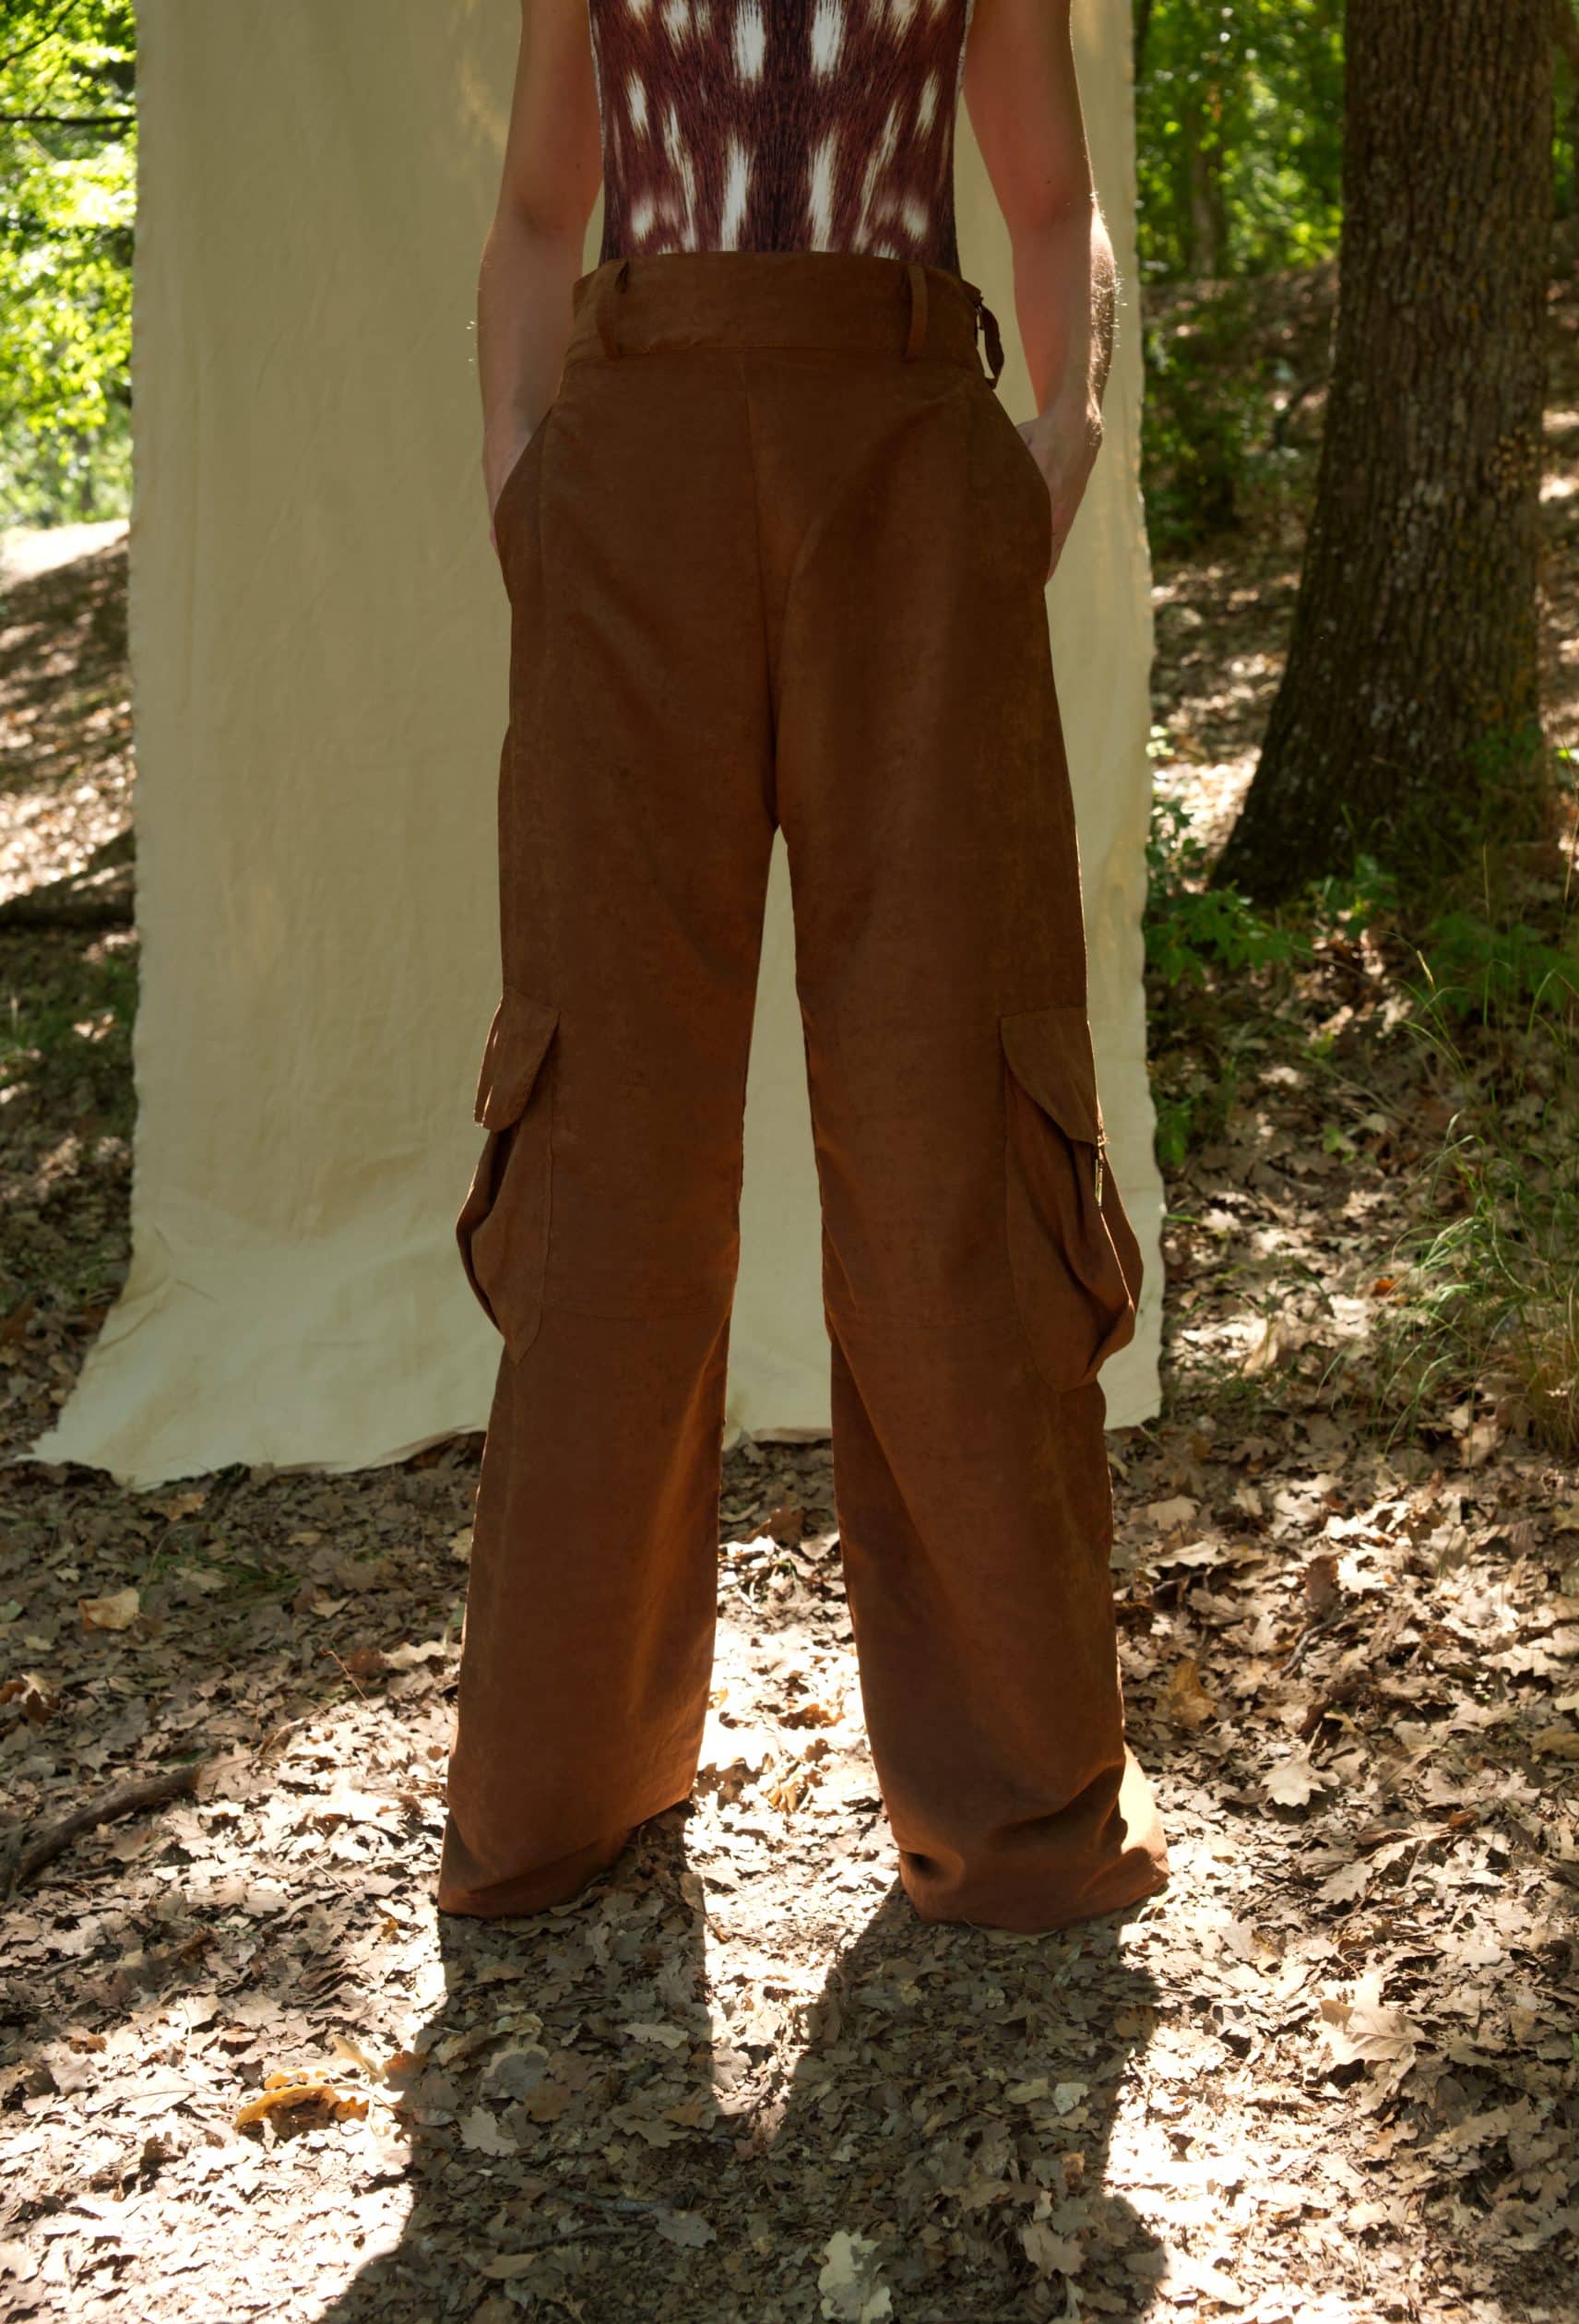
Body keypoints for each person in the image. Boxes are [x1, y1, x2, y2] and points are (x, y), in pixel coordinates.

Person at [438, 0, 1170, 1934]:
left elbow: (1049, 195)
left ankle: (1018, 1812)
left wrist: (1061, 433)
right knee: (607, 1134)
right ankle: (555, 1792)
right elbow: (536, 209)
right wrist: (521, 468)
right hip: (629, 488)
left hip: (910, 477)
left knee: (950, 1122)